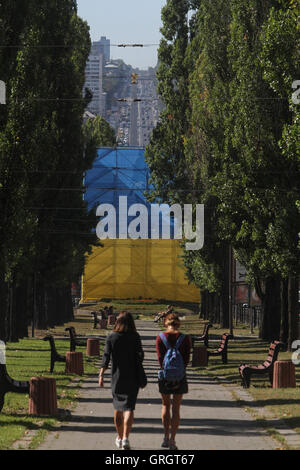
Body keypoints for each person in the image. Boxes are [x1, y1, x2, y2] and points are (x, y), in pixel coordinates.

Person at [99, 311, 144, 450]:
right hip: (132, 377)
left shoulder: (112, 337)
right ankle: (125, 438)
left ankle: (119, 437)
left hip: (117, 377)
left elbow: (106, 357)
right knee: (129, 407)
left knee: (118, 408)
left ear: (117, 322)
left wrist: (101, 375)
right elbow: (141, 356)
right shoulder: (135, 337)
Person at [156, 312, 191, 450]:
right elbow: (187, 358)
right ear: (178, 323)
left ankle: (165, 436)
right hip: (180, 377)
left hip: (165, 376)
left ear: (166, 323)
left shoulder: (160, 337)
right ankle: (172, 440)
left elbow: (160, 359)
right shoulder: (184, 338)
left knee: (165, 405)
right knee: (176, 408)